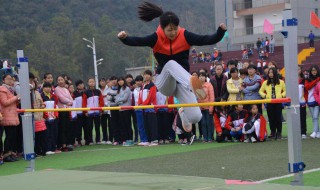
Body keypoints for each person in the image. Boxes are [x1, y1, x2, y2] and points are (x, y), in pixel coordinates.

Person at [118, 1, 226, 133]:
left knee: (196, 117)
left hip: (181, 83)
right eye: (169, 30)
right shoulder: (155, 38)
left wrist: (220, 32)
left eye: (175, 28)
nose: (173, 32)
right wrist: (125, 38)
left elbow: (206, 39)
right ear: (162, 28)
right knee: (170, 64)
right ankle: (192, 84)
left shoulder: (185, 35)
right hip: (165, 83)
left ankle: (183, 114)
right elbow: (137, 41)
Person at [259, 67, 286, 139]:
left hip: (278, 102)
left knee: (278, 118)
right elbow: (260, 91)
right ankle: (273, 132)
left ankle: (279, 132)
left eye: (272, 72)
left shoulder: (281, 82)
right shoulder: (265, 82)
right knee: (271, 118)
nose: (270, 74)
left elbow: (285, 90)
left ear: (275, 73)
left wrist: (281, 96)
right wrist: (265, 96)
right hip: (269, 102)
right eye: (269, 72)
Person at [0, 74, 20, 162]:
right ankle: (6, 154)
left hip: (13, 115)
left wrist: (17, 100)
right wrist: (16, 97)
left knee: (12, 136)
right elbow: (4, 102)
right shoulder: (2, 89)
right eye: (8, 79)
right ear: (3, 80)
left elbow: (12, 103)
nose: (10, 81)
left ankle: (10, 153)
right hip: (7, 115)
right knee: (9, 136)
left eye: (12, 79)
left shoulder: (11, 90)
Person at [54, 75, 74, 151]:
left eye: (61, 79)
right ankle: (62, 145)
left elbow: (71, 99)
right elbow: (62, 99)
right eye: (58, 80)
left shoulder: (66, 89)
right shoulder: (57, 89)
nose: (60, 81)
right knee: (62, 128)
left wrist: (70, 102)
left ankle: (67, 143)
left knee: (67, 127)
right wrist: (69, 102)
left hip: (67, 110)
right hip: (61, 111)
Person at [82, 78, 104, 145]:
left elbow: (101, 101)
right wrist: (85, 111)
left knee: (97, 127)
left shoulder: (98, 91)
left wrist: (101, 110)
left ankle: (98, 140)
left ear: (95, 83)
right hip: (89, 113)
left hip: (97, 112)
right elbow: (84, 103)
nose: (92, 83)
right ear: (88, 83)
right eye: (90, 82)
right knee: (89, 127)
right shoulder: (85, 92)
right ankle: (90, 140)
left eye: (93, 82)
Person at [41, 82, 60, 155]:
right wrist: (46, 116)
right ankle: (47, 149)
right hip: (46, 118)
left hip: (53, 118)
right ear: (43, 88)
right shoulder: (42, 96)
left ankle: (53, 148)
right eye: (46, 87)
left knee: (53, 133)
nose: (48, 88)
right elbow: (42, 107)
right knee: (47, 134)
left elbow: (55, 106)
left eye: (49, 87)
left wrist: (55, 115)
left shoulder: (53, 96)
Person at [198, 72, 214, 142]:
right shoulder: (197, 86)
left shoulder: (209, 85)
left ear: (205, 77)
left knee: (209, 123)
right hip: (201, 108)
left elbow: (212, 97)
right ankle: (205, 138)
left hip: (208, 108)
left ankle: (210, 137)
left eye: (203, 76)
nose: (201, 77)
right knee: (203, 123)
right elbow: (197, 98)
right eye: (200, 76)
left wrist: (211, 108)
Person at [305, 65, 320, 138]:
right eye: (312, 70)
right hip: (310, 100)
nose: (314, 72)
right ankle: (318, 132)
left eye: (315, 70)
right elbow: (307, 87)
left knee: (315, 116)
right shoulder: (308, 79)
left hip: (317, 100)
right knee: (314, 117)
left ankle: (314, 131)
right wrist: (316, 81)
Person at [298, 65, 307, 139]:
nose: (297, 70)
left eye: (298, 69)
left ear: (301, 70)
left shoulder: (304, 80)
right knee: (294, 117)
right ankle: (296, 132)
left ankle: (303, 132)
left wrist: (306, 100)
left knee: (302, 117)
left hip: (302, 101)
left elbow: (306, 91)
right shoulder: (290, 80)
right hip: (293, 102)